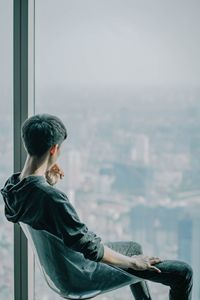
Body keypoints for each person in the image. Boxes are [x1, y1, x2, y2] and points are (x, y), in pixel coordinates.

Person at [0, 113, 193, 300]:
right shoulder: (51, 198)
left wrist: (46, 182)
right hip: (80, 275)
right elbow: (90, 247)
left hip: (61, 271)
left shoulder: (13, 187)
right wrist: (133, 263)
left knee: (134, 247)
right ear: (54, 149)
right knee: (183, 273)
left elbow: (36, 210)